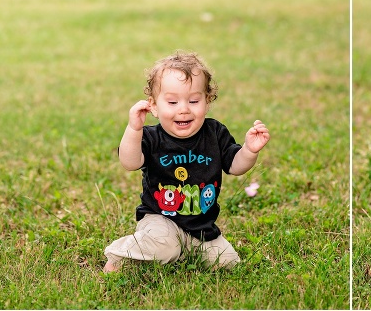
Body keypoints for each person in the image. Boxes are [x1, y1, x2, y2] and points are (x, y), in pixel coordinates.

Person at [103, 51, 270, 273]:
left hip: (201, 227)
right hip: (160, 219)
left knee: (227, 263)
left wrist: (249, 150)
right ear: (153, 105)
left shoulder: (215, 133)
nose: (183, 108)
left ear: (207, 101)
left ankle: (183, 250)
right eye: (172, 102)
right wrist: (134, 129)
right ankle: (120, 255)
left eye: (193, 100)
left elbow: (234, 166)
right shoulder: (152, 137)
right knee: (164, 246)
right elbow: (129, 162)